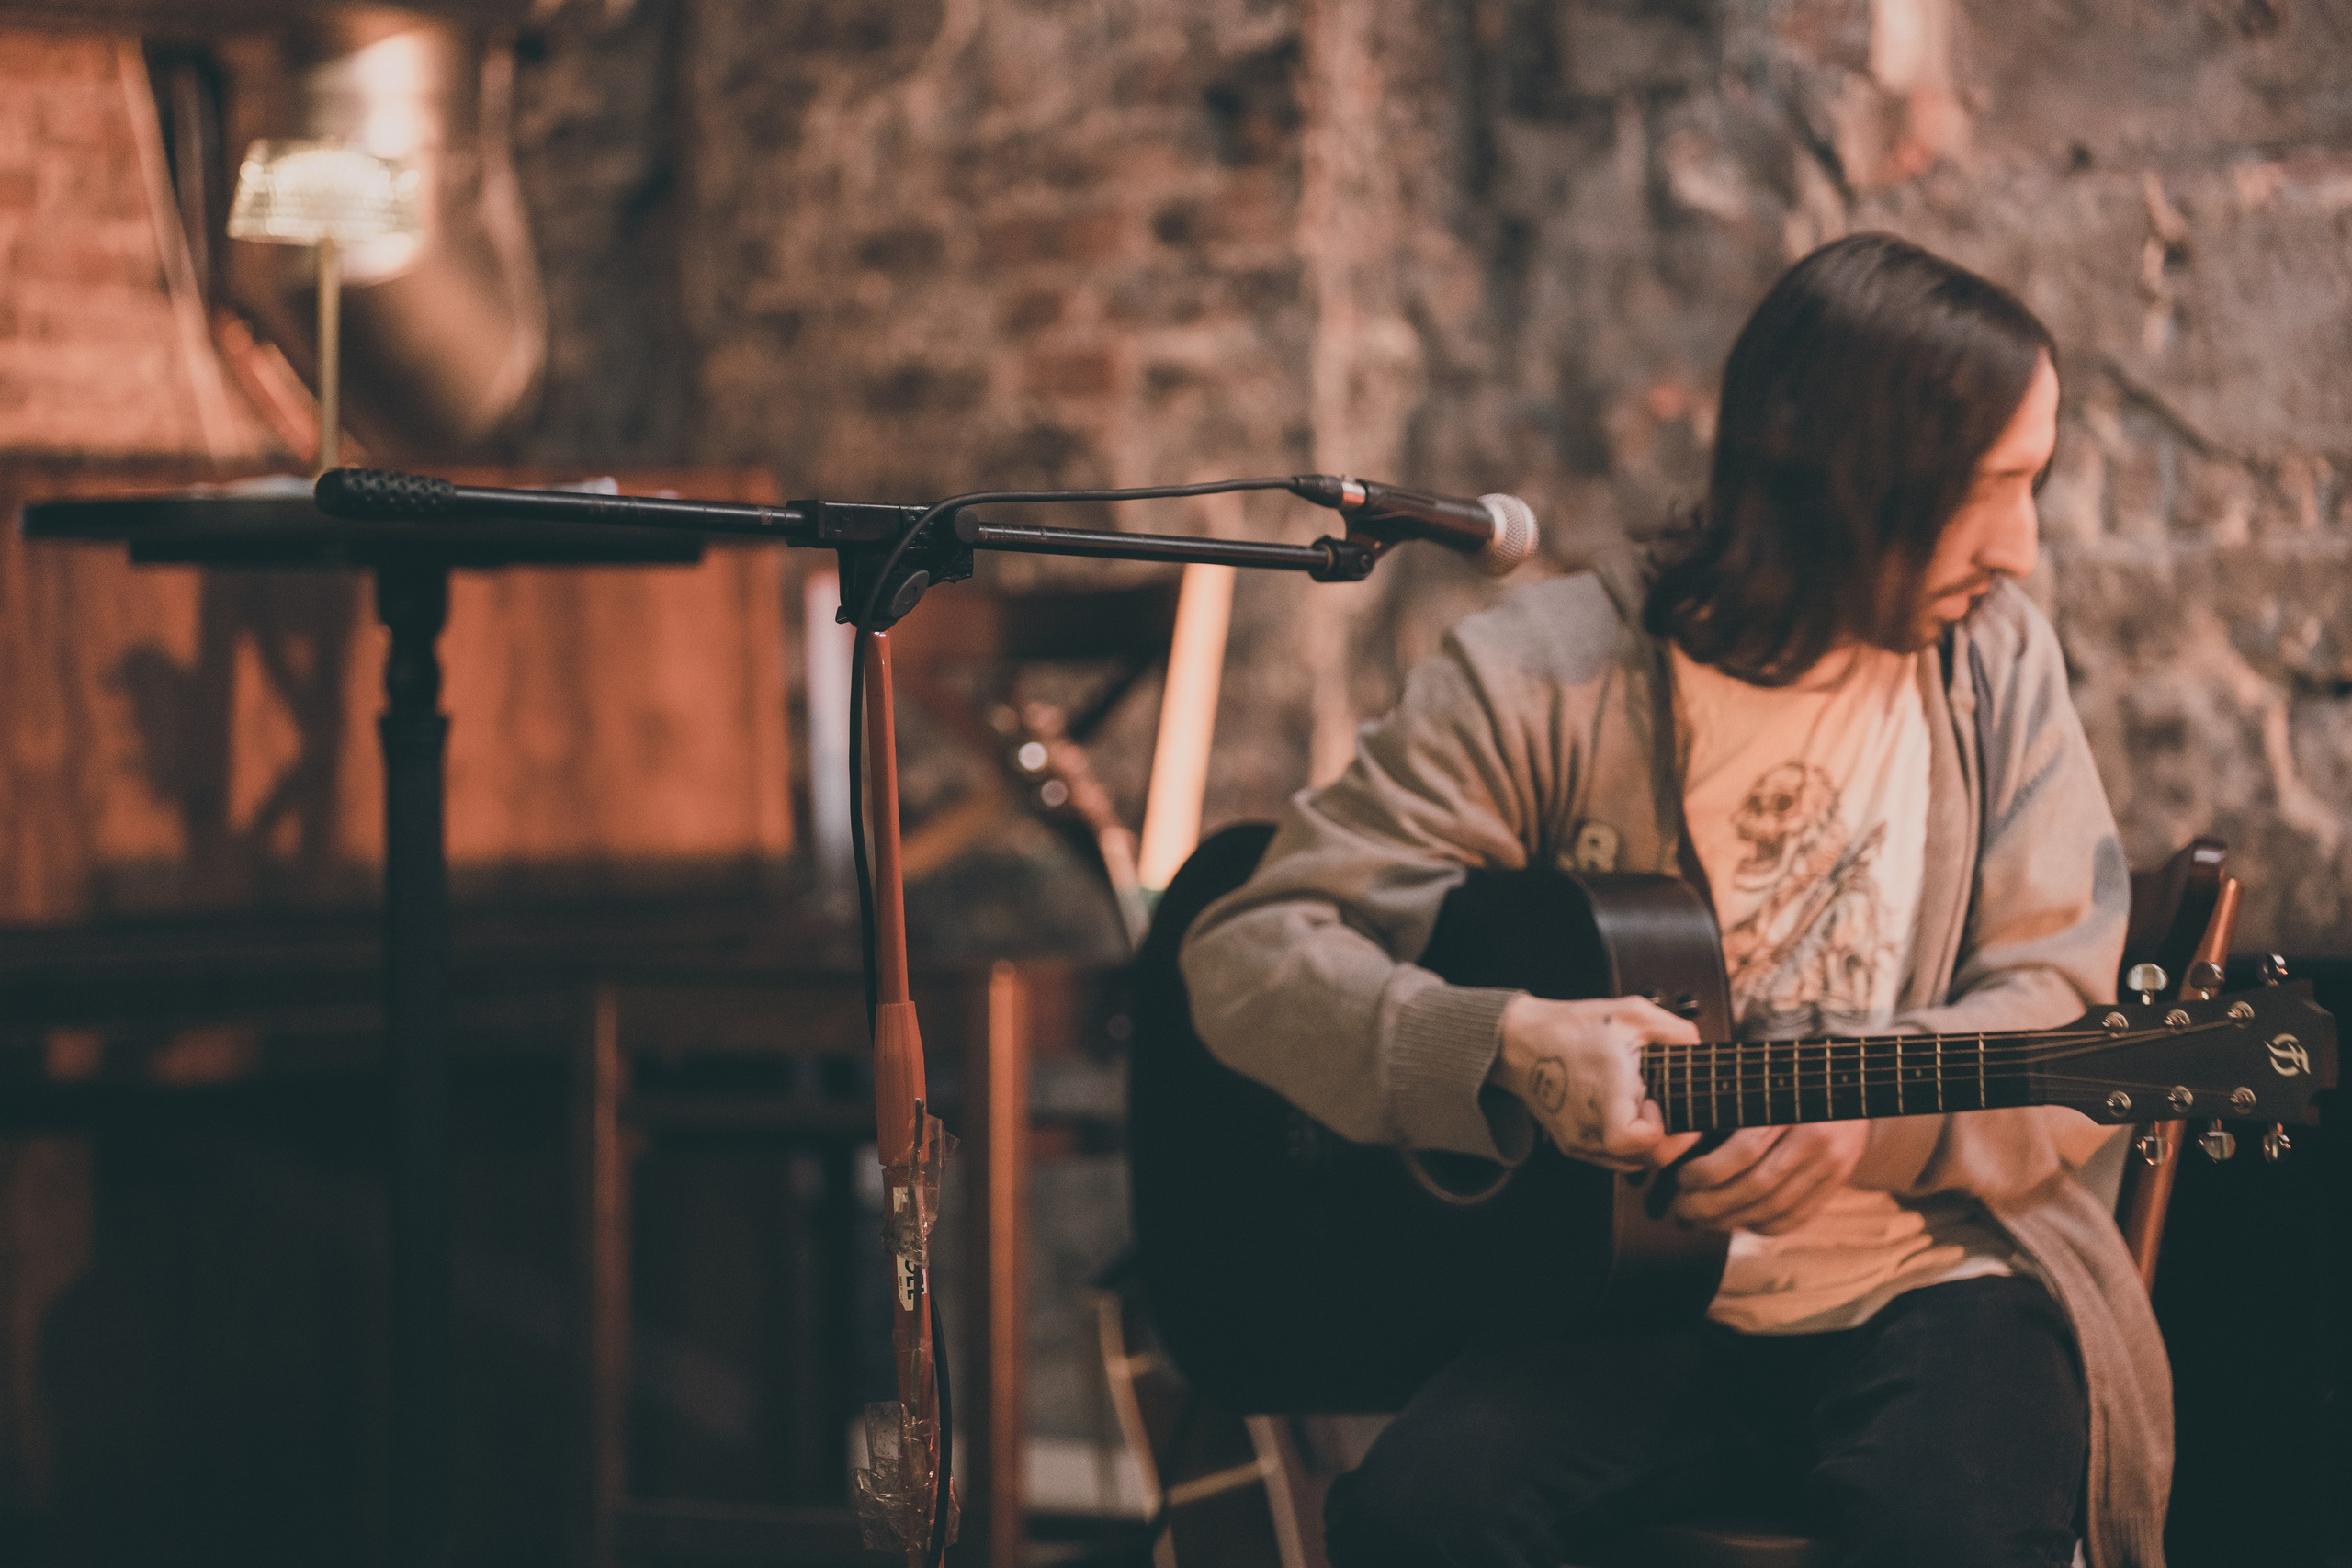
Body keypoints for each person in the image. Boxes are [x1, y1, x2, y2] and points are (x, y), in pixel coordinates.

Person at [1179, 233, 2169, 1568]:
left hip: (1939, 1273)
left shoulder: (1996, 667)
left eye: (2032, 484)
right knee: (1414, 1526)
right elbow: (1251, 950)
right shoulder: (1548, 675)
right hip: (1619, 1295)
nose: (2024, 548)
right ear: (1846, 483)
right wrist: (1505, 1042)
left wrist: (1866, 1122)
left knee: (1953, 1529)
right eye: (1988, 489)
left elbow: (2064, 1004)